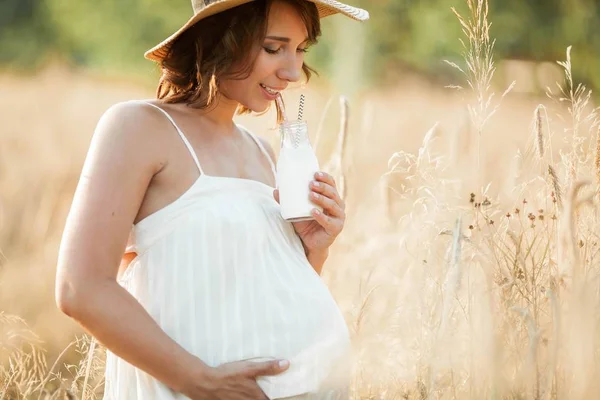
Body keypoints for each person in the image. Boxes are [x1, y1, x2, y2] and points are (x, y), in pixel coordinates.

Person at [55, 0, 368, 398]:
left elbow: (254, 296)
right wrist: (199, 381)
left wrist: (311, 252)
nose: (292, 72)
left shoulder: (261, 152)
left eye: (301, 49)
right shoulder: (139, 127)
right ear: (221, 39)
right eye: (273, 48)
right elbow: (79, 288)